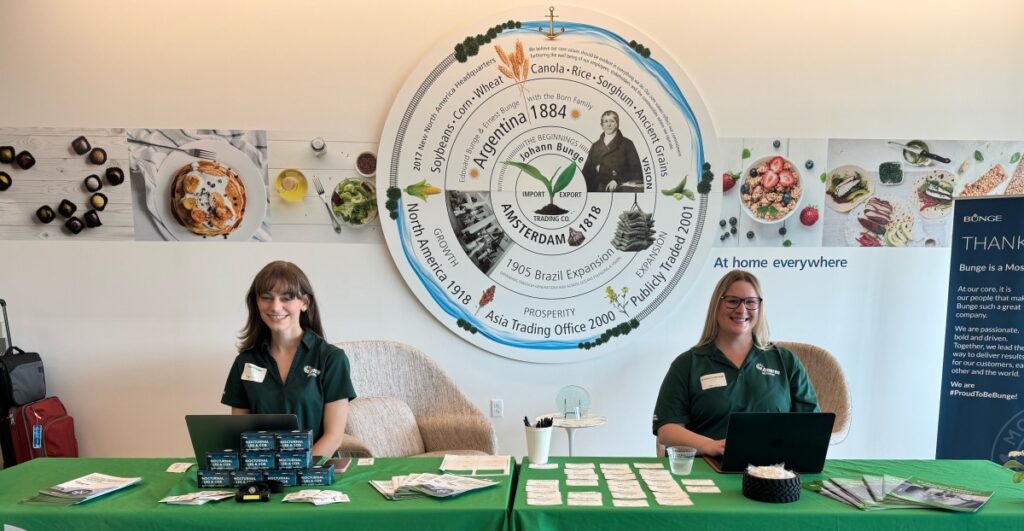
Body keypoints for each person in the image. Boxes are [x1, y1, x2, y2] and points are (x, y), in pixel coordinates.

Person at [652, 270, 819, 456]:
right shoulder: (687, 363)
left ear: (759, 307)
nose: (741, 310)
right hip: (707, 468)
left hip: (773, 471)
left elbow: (812, 425)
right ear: (717, 305)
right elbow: (667, 430)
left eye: (750, 302)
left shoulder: (786, 361)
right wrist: (710, 446)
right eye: (732, 301)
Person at [222, 261, 356, 457]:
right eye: (266, 298)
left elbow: (333, 437)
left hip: (315, 475)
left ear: (305, 303)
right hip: (263, 473)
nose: (276, 307)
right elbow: (239, 434)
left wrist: (297, 469)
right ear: (256, 303)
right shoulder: (245, 362)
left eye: (286, 298)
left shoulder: (331, 359)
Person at [581, 110, 643, 192]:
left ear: (617, 123)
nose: (608, 124)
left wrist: (617, 180)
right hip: (596, 190)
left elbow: (637, 172)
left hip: (619, 190)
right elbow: (586, 173)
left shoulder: (627, 144)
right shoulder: (595, 146)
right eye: (605, 121)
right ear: (602, 125)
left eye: (612, 121)